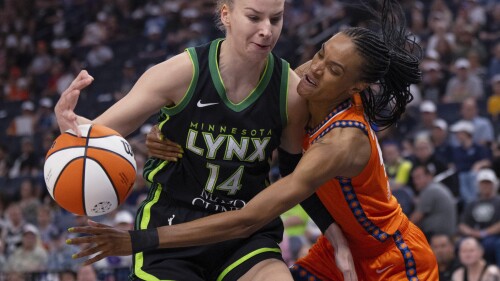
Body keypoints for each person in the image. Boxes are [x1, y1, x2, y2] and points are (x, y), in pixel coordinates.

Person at [67, 0, 439, 280]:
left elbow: (270, 195)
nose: (267, 30)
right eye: (255, 17)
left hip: (366, 250)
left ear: (354, 85)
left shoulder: (323, 120)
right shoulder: (300, 82)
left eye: (275, 19)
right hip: (181, 219)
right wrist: (157, 131)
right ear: (225, 14)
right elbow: (96, 133)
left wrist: (135, 240)